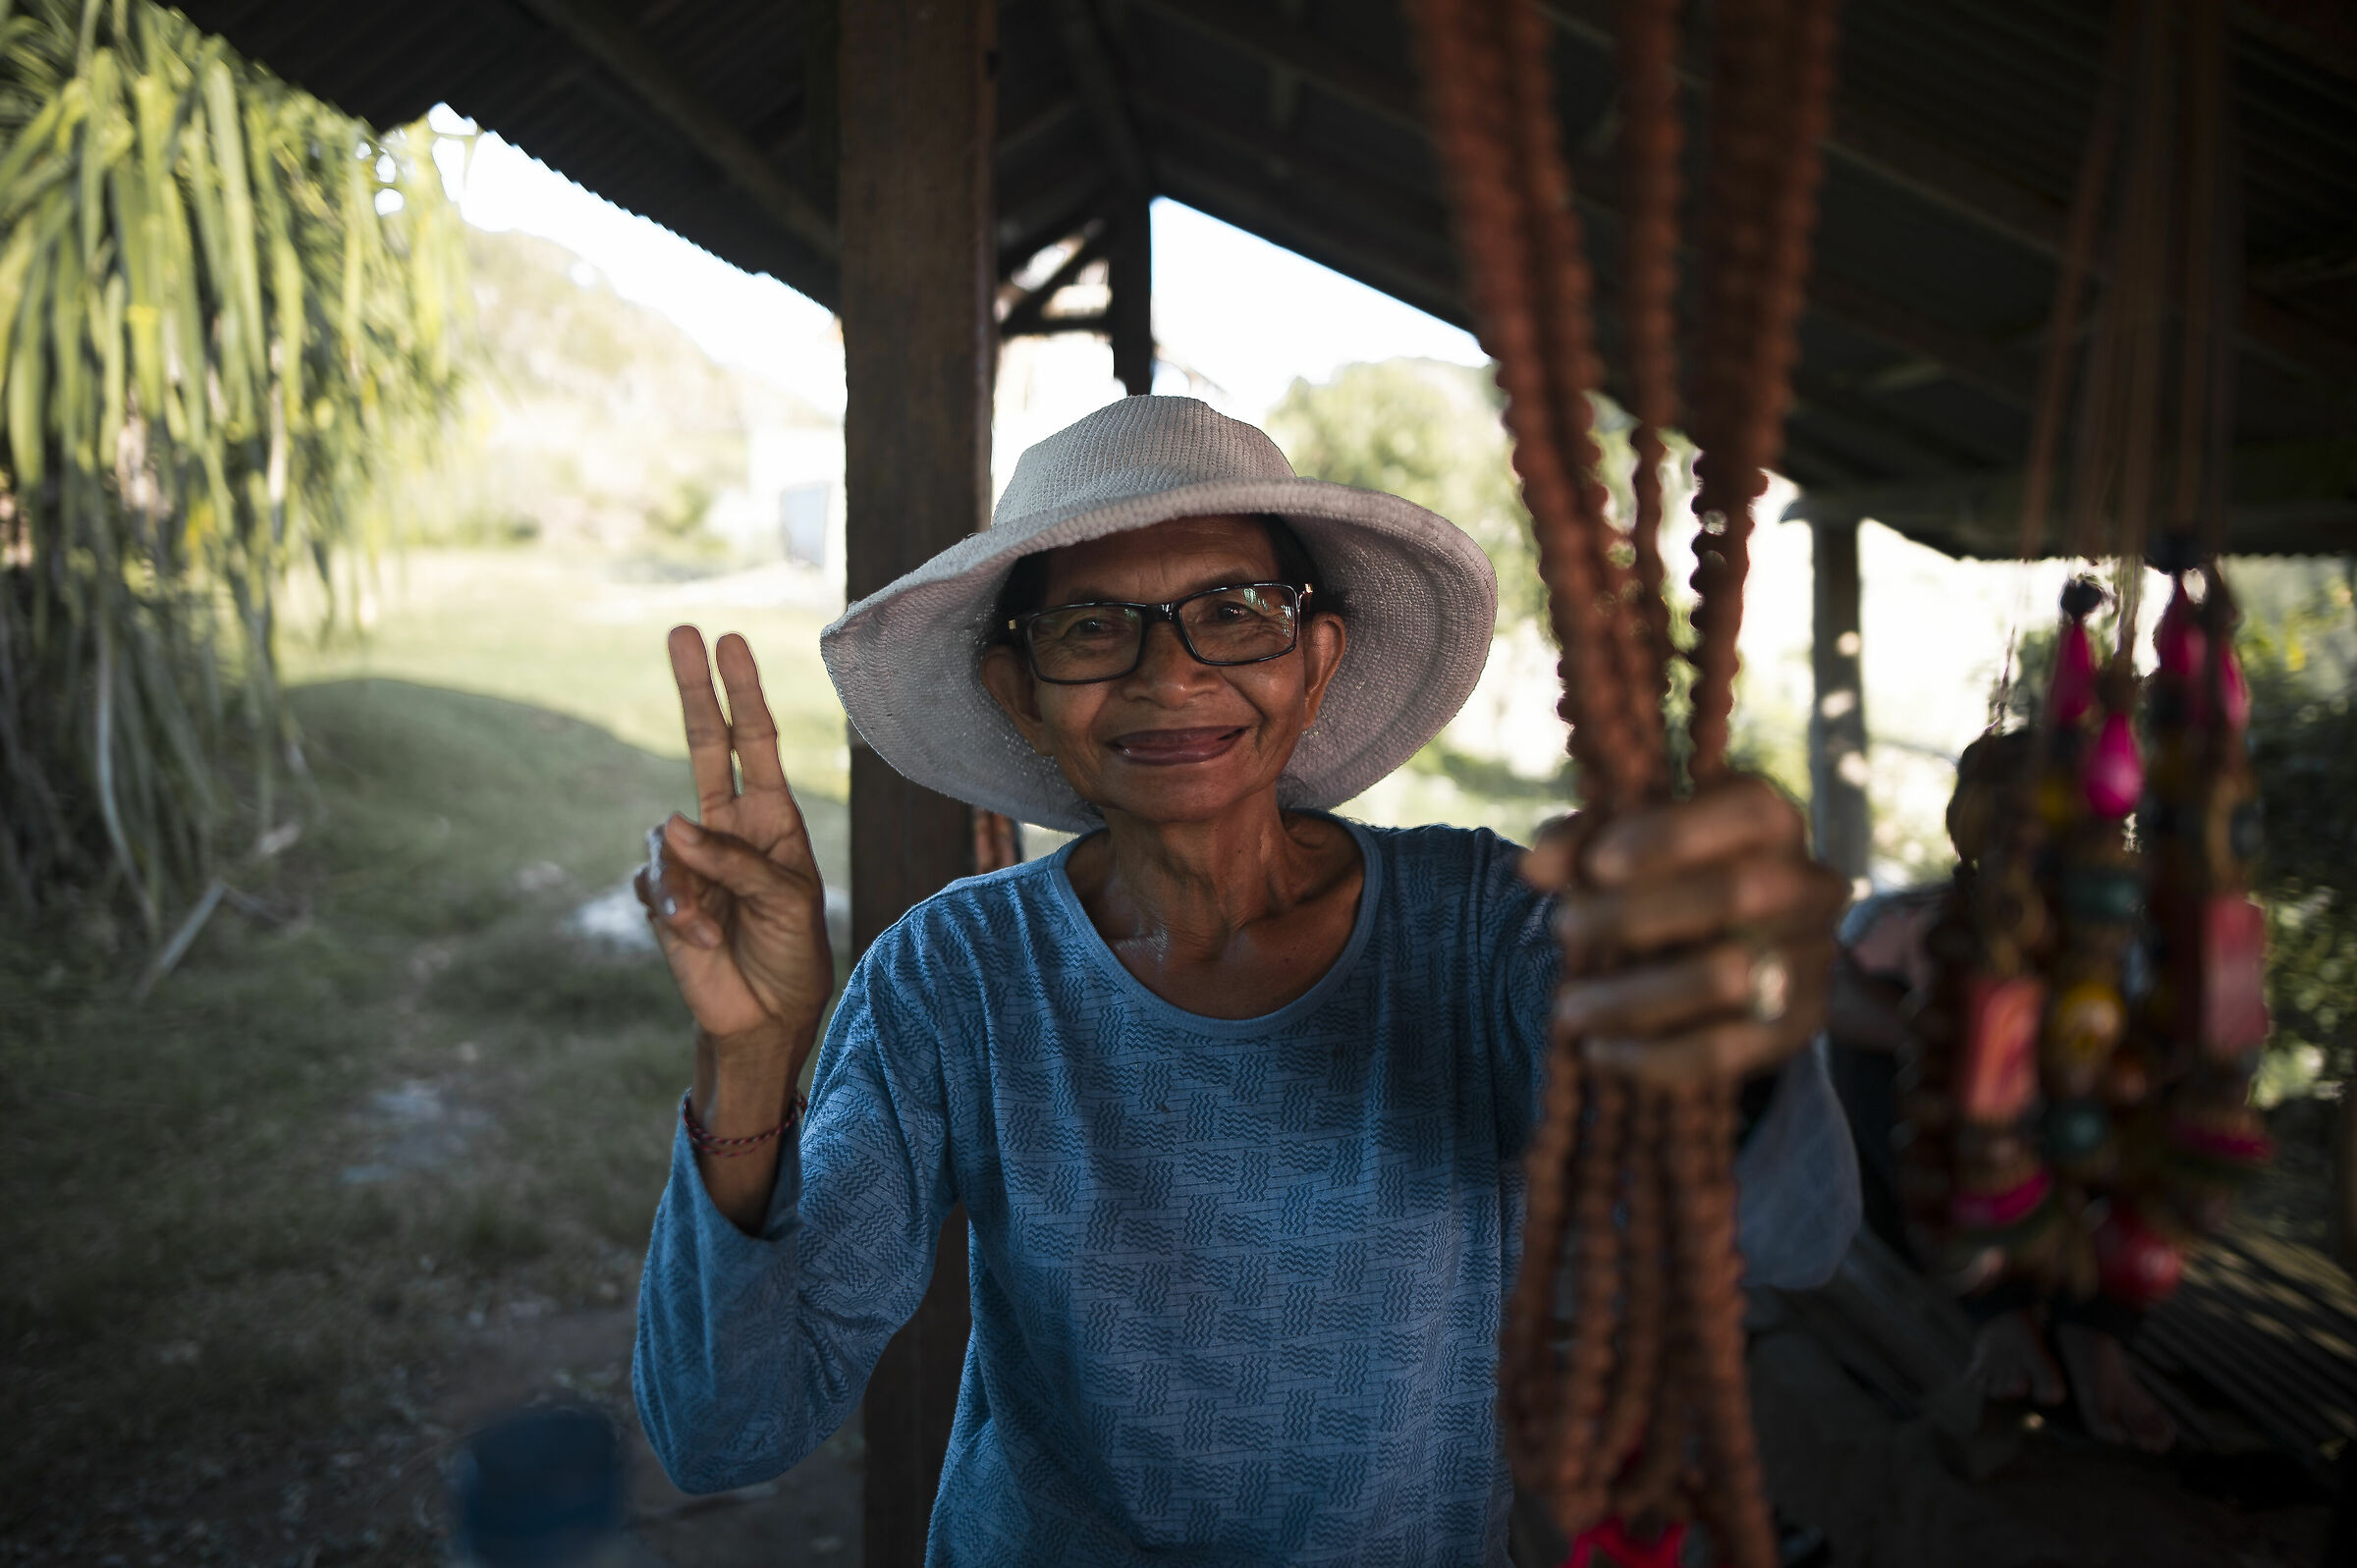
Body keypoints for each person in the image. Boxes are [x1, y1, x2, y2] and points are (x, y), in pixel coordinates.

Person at [629, 397, 1859, 1565]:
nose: (1171, 677)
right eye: (1092, 627)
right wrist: (752, 1050)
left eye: (1235, 610)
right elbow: (725, 1428)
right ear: (1020, 693)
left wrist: (1736, 1033)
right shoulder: (956, 976)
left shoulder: (1491, 930)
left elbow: (1784, 1236)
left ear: (1316, 660)